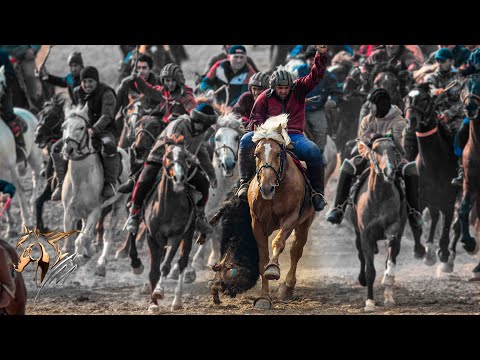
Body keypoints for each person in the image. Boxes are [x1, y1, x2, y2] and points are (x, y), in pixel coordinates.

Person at [236, 45, 329, 212]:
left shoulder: (299, 89)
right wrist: (258, 128)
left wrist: (321, 54)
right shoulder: (264, 97)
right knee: (244, 140)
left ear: (291, 86)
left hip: (294, 136)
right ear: (273, 87)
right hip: (269, 136)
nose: (284, 91)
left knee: (314, 151)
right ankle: (244, 183)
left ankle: (317, 193)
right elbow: (255, 118)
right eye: (280, 88)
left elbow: (315, 76)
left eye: (286, 88)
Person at [326, 88, 424, 228]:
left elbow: (400, 144)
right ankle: (338, 208)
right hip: (370, 156)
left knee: (411, 169)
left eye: (372, 104)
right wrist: (372, 156)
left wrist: (388, 153)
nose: (369, 107)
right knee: (347, 165)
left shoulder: (398, 121)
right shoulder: (367, 120)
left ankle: (414, 211)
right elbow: (361, 143)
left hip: (392, 158)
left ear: (382, 105)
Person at [124, 103, 219, 235]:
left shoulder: (201, 132)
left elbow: (201, 151)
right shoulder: (178, 126)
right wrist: (191, 157)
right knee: (144, 180)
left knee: (203, 183)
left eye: (206, 126)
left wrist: (211, 174)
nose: (202, 128)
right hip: (160, 158)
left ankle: (200, 218)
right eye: (201, 124)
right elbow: (173, 147)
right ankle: (134, 215)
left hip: (183, 164)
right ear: (194, 120)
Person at [117, 62, 197, 194]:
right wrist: (137, 78)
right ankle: (133, 178)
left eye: (173, 81)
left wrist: (179, 118)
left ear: (179, 80)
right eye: (167, 81)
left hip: (179, 135)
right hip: (164, 131)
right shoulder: (164, 92)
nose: (170, 84)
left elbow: (193, 114)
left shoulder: (186, 96)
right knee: (138, 143)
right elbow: (149, 90)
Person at [50, 66, 118, 200]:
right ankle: (61, 183)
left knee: (109, 145)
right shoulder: (77, 92)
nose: (87, 85)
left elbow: (107, 116)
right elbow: (78, 110)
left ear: (97, 81)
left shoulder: (107, 93)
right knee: (56, 148)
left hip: (103, 130)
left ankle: (110, 183)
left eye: (90, 81)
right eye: (84, 81)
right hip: (82, 130)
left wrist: (94, 129)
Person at [293, 45, 343, 153]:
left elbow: (338, 91)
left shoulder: (327, 75)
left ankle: (319, 154)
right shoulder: (296, 73)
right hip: (296, 109)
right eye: (311, 59)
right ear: (306, 59)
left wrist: (332, 101)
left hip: (315, 110)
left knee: (321, 129)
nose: (313, 62)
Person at [0, 48, 27, 162]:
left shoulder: (2, 54)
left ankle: (20, 145)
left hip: (3, 92)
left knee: (9, 115)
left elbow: (10, 74)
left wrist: (3, 85)